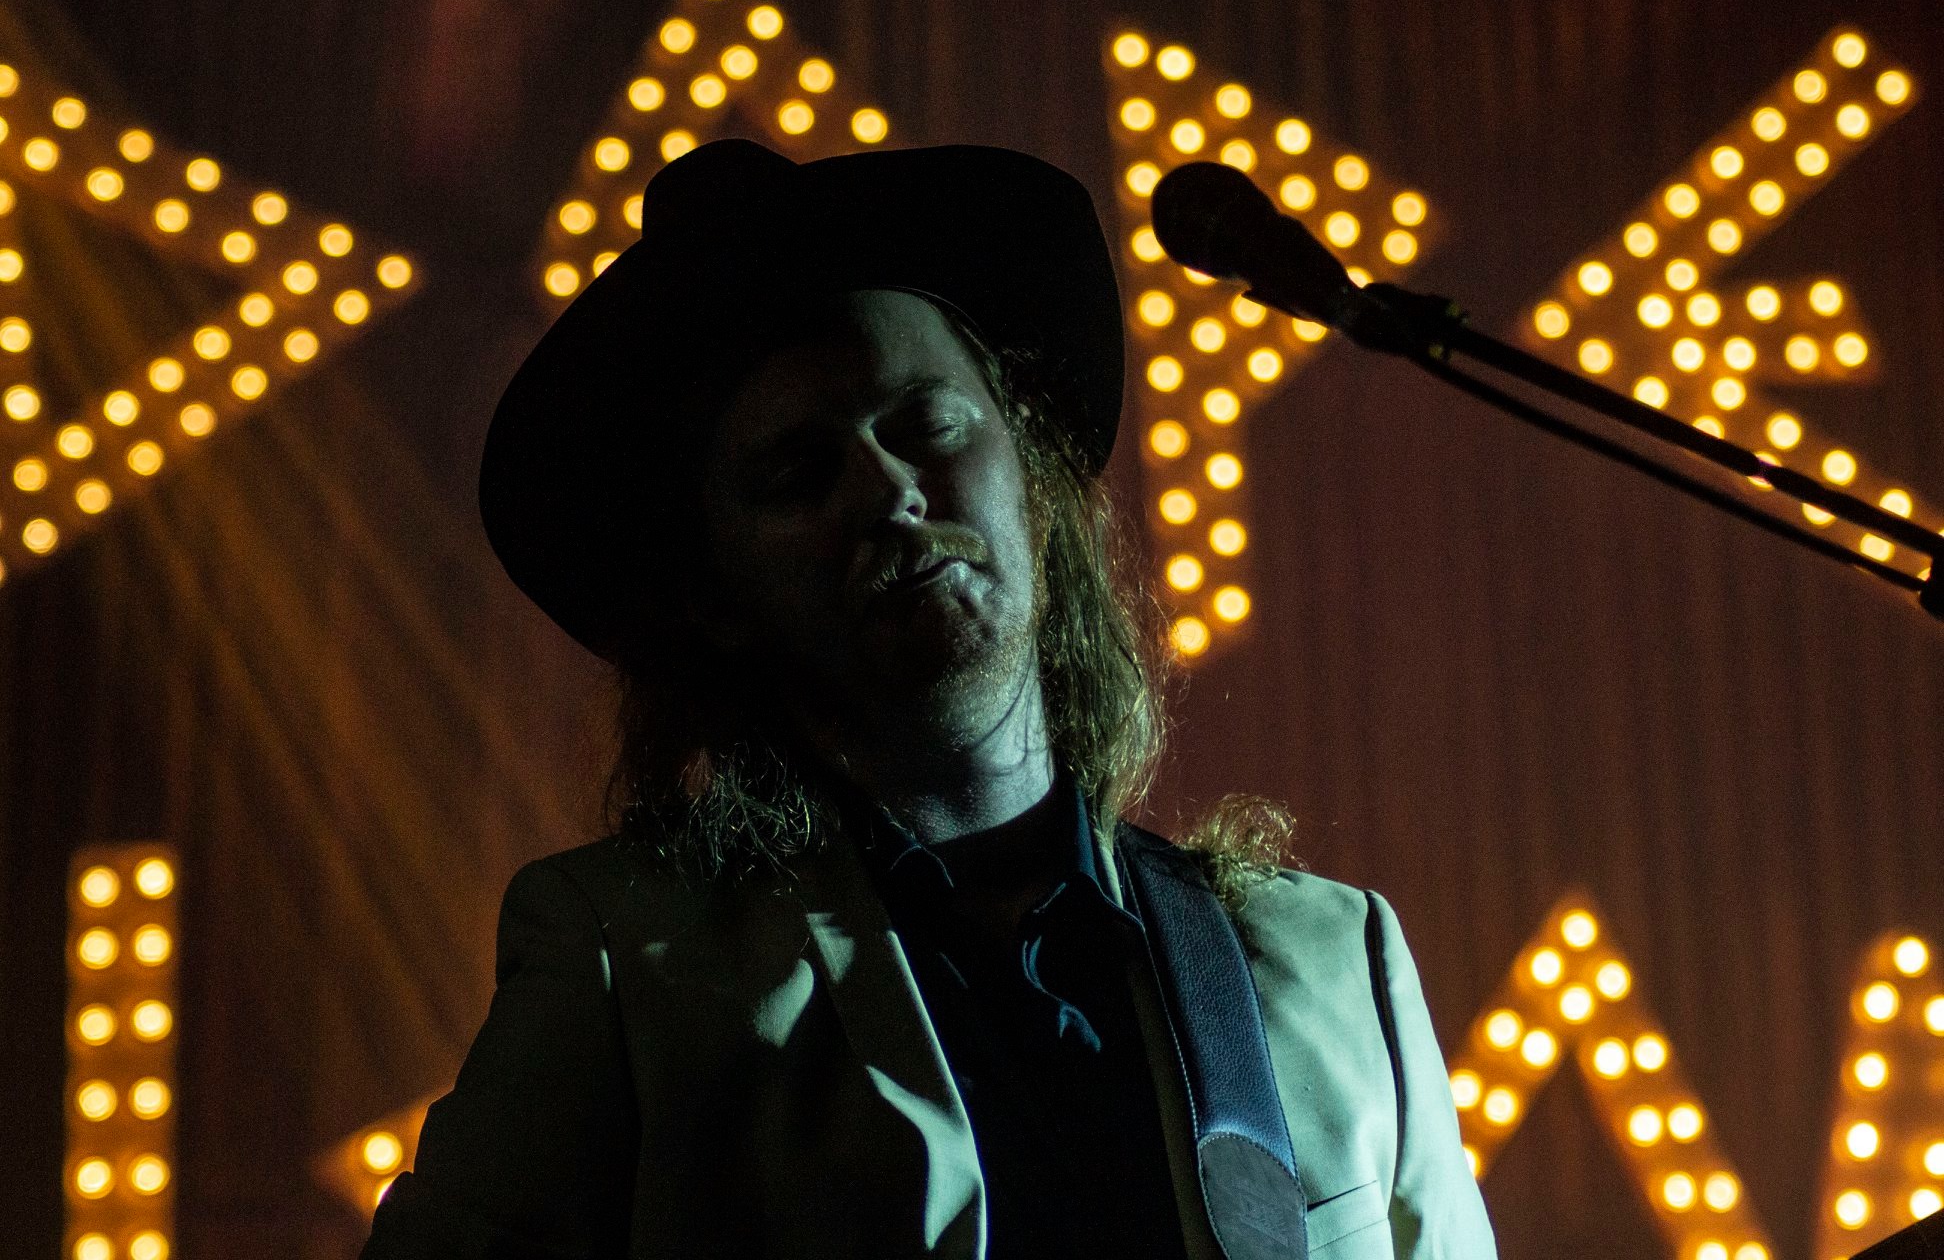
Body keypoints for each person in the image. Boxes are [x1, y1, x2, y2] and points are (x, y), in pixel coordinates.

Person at [362, 138, 1496, 1259]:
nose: (889, 489)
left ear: (1032, 480)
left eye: (925, 427)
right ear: (715, 597)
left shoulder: (1333, 958)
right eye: (799, 474)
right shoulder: (625, 971)